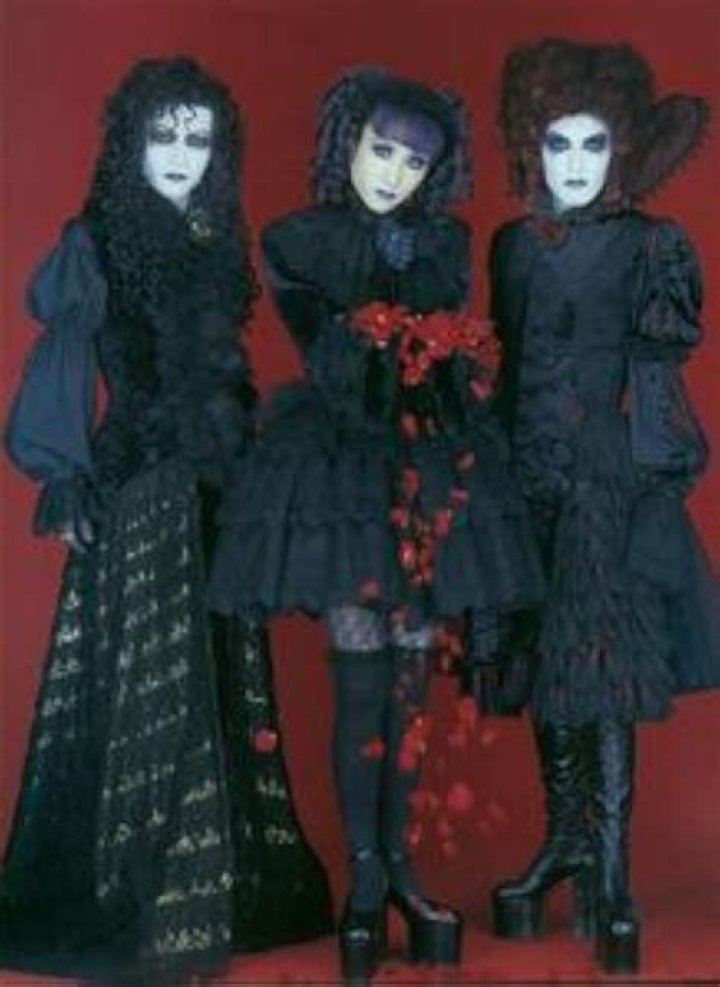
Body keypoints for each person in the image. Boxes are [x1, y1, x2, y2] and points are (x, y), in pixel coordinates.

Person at [208, 65, 544, 983]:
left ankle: (402, 865)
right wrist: (404, 338)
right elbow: (334, 363)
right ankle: (364, 878)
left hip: (430, 467)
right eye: (381, 150)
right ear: (347, 143)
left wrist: (454, 353)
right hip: (344, 473)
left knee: (410, 687)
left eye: (414, 162)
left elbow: (446, 366)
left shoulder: (447, 241)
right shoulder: (297, 239)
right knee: (362, 688)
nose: (393, 174)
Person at [1, 55, 332, 983]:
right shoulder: (96, 242)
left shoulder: (214, 238)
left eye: (200, 138)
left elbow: (224, 371)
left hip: (214, 486)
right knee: (154, 685)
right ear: (131, 143)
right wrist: (65, 476)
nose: (182, 154)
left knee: (214, 676)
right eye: (164, 135)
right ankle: (148, 897)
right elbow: (64, 361)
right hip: (142, 488)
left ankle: (212, 890)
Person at [487, 38, 719, 975]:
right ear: (530, 148)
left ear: (621, 149)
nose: (574, 164)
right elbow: (507, 363)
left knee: (604, 669)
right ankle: (567, 839)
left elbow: (661, 371)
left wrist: (647, 478)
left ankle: (613, 871)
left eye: (592, 145)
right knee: (542, 660)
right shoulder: (511, 246)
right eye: (557, 145)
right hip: (523, 476)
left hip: (606, 482)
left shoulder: (651, 245)